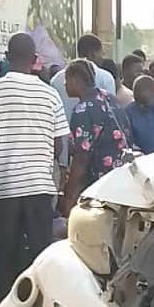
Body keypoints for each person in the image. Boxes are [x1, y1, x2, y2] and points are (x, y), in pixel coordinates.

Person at [0, 32, 69, 307]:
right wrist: (36, 159)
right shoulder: (50, 94)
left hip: (6, 188)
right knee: (40, 252)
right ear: (35, 60)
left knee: (3, 253)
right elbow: (58, 144)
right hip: (40, 187)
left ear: (6, 57)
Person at [62, 59, 129, 214]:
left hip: (101, 184)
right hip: (122, 176)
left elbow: (82, 158)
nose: (65, 85)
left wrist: (69, 196)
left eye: (67, 80)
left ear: (76, 79)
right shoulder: (110, 98)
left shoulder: (83, 109)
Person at [50, 34, 115, 120]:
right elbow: (111, 111)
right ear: (92, 54)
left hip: (63, 130)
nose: (102, 58)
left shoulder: (56, 79)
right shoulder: (105, 78)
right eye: (101, 53)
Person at [125, 75, 154, 155]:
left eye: (144, 102)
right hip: (146, 160)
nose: (140, 106)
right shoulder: (128, 113)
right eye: (137, 101)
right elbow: (128, 143)